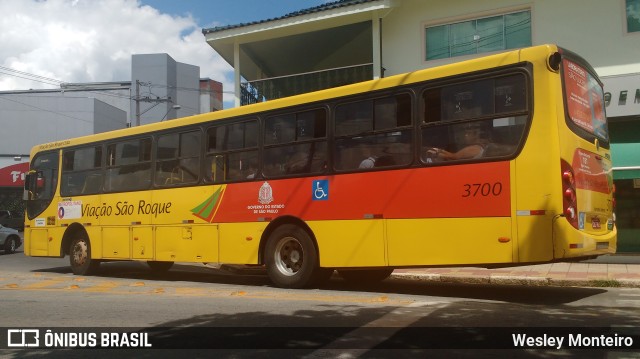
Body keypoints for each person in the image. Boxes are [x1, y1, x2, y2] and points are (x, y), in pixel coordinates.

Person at [426, 124, 490, 161]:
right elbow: (454, 155)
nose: (465, 135)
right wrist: (440, 150)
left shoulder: (475, 148)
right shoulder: (477, 147)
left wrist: (436, 154)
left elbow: (454, 157)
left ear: (475, 135)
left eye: (468, 133)